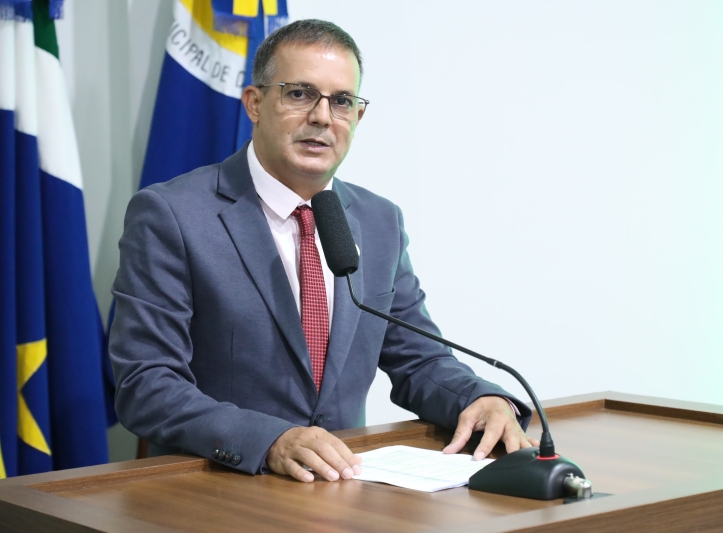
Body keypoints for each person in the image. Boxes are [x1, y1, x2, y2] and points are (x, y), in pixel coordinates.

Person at [110, 19, 534, 483]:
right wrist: (268, 439)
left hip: (344, 491)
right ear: (254, 103)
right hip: (216, 491)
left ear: (357, 117)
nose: (322, 117)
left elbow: (419, 359)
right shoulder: (172, 215)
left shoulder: (379, 222)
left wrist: (479, 398)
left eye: (342, 101)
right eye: (299, 94)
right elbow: (146, 384)